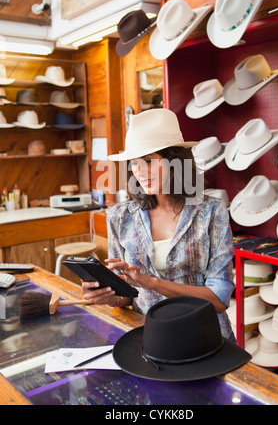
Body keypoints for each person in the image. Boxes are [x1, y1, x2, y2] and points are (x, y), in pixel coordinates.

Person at [81, 108, 236, 341]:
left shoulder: (212, 213)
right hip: (149, 340)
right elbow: (127, 296)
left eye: (149, 161)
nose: (140, 172)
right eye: (134, 163)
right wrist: (108, 296)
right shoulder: (119, 217)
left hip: (206, 337)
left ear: (176, 162)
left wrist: (152, 283)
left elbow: (219, 300)